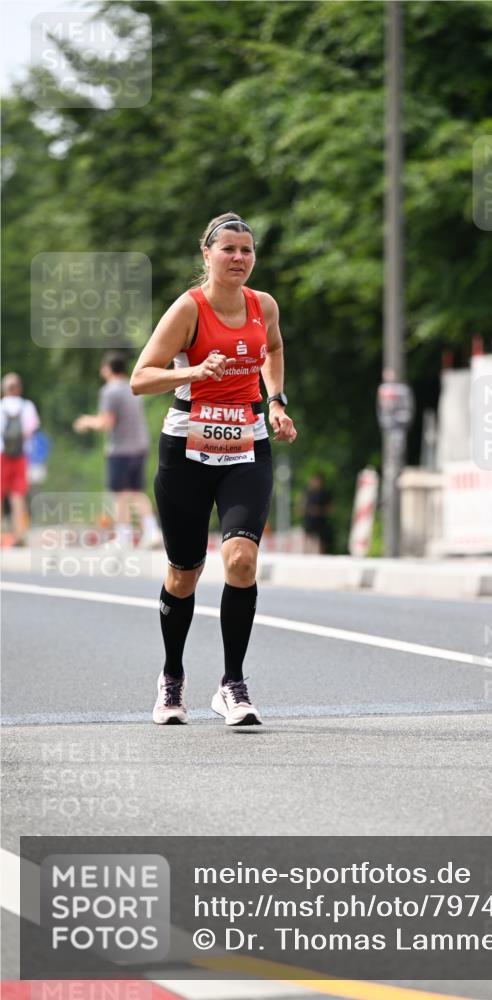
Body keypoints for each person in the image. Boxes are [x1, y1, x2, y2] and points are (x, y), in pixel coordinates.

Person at [130, 212, 297, 726]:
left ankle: (232, 684)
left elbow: (273, 347)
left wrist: (276, 401)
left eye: (247, 250)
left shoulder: (263, 305)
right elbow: (140, 378)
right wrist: (195, 371)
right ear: (207, 254)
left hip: (247, 445)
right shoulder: (189, 309)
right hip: (186, 449)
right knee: (184, 574)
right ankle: (172, 677)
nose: (239, 258)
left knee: (241, 560)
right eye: (228, 249)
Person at [73, 352, 161, 548]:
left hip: (120, 449)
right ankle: (152, 531)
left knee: (119, 495)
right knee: (136, 492)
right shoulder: (133, 388)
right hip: (139, 446)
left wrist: (86, 422)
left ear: (107, 369)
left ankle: (123, 537)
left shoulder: (109, 391)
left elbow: (106, 422)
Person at [0, 373, 41, 545]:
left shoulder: (1, 407)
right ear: (19, 389)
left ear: (4, 389)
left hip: (1, 455)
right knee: (18, 494)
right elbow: (32, 428)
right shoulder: (27, 406)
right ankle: (19, 534)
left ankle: (2, 533)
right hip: (20, 454)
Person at [302, 473, 334, 554]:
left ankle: (321, 558)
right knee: (308, 544)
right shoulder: (307, 493)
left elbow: (331, 509)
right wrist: (309, 510)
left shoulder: (325, 494)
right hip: (310, 522)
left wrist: (319, 510)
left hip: (322, 523)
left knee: (322, 545)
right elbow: (300, 508)